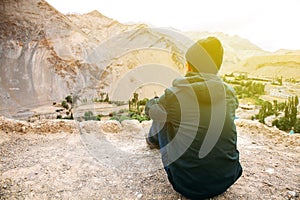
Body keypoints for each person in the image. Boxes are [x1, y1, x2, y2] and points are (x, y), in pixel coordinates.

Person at [145, 37, 243, 199]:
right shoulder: (229, 93)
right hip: (227, 178)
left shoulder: (176, 95)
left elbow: (151, 110)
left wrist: (155, 101)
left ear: (189, 66)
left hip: (188, 185)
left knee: (161, 114)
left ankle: (152, 140)